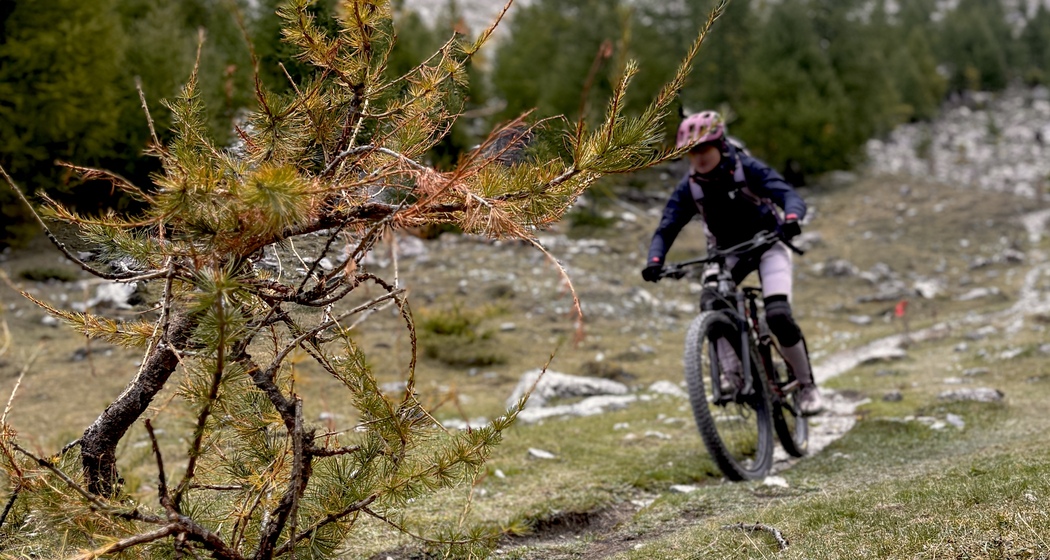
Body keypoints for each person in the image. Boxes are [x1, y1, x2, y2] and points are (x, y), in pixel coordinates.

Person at [641, 111, 823, 415]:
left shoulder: (746, 169)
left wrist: (792, 217)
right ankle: (732, 375)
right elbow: (667, 227)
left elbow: (788, 194)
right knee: (711, 302)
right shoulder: (690, 188)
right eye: (691, 152)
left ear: (720, 145)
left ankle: (807, 387)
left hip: (767, 245)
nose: (698, 158)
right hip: (727, 253)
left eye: (704, 149)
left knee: (778, 315)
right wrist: (655, 260)